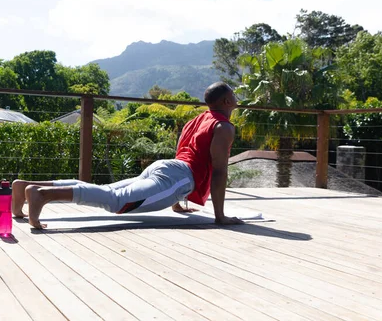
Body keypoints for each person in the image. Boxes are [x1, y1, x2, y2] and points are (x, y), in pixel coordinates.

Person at [12, 82, 243, 229]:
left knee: (109, 190)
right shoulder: (223, 127)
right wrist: (220, 216)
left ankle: (26, 186)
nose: (236, 96)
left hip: (167, 168)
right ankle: (43, 194)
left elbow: (186, 153)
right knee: (117, 202)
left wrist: (176, 202)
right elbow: (219, 171)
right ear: (226, 101)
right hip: (178, 177)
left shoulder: (197, 119)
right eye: (233, 93)